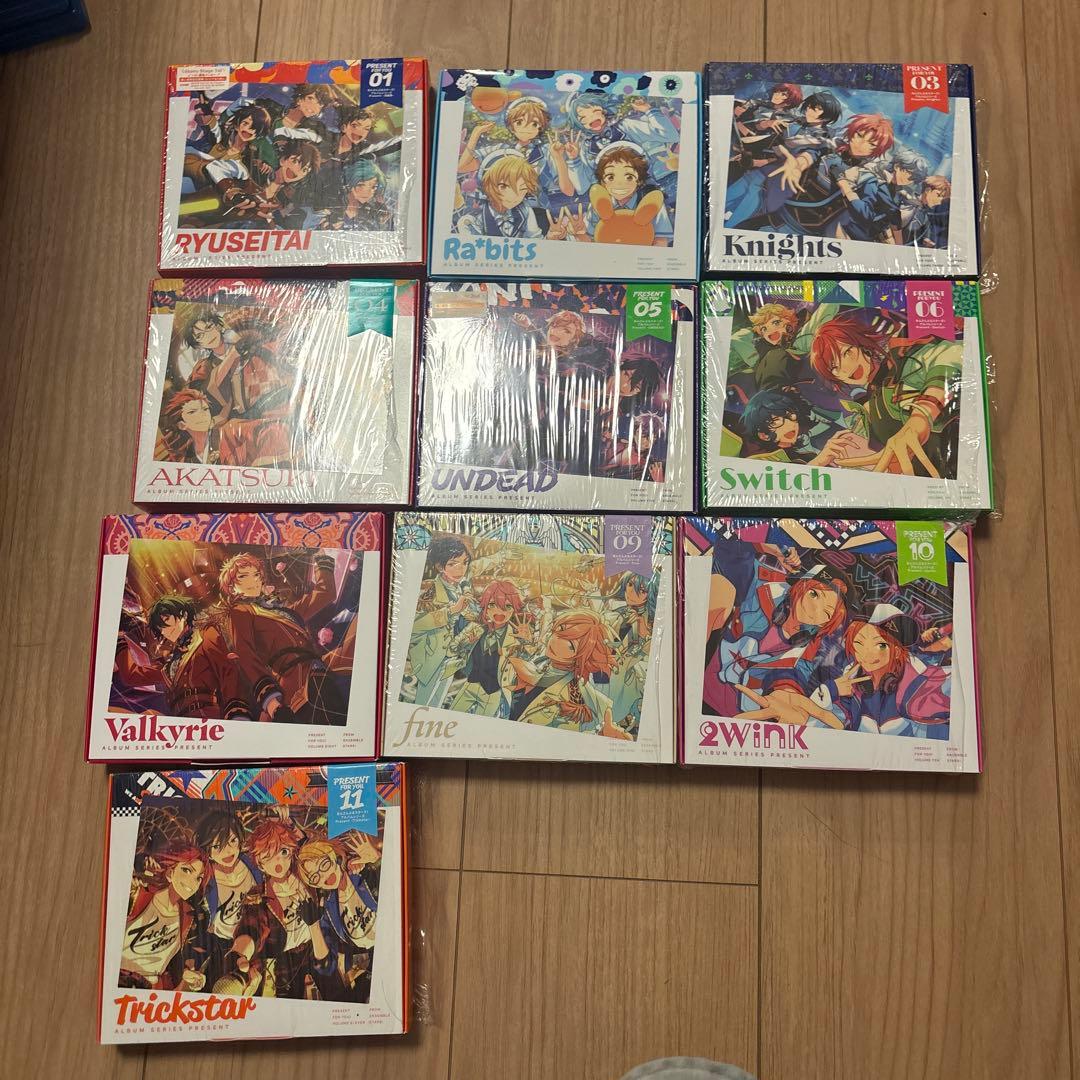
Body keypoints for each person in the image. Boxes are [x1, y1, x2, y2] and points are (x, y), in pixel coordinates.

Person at [113, 594, 247, 721]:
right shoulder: (172, 664)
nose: (165, 631)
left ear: (184, 614)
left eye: (166, 620)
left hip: (211, 719)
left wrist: (237, 714)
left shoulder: (204, 636)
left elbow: (228, 673)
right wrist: (120, 639)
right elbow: (133, 676)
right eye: (160, 628)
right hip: (184, 724)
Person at [507, 610, 629, 738]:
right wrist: (526, 643)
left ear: (582, 658)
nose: (556, 640)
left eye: (571, 645)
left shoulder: (573, 697)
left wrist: (602, 731)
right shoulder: (543, 662)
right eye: (560, 630)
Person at [297, 831, 381, 1002]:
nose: (324, 877)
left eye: (324, 864)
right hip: (369, 967)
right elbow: (326, 967)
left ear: (335, 856)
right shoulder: (329, 908)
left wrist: (377, 861)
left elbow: (397, 894)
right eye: (315, 877)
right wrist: (313, 926)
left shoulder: (363, 873)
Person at [119, 841, 210, 991]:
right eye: (187, 870)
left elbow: (170, 961)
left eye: (199, 878)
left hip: (151, 989)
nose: (193, 882)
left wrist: (186, 974)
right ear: (170, 872)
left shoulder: (189, 917)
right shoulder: (137, 895)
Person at [406, 537, 476, 708]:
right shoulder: (429, 590)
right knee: (423, 704)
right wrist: (451, 611)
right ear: (439, 566)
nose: (461, 569)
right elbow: (414, 626)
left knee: (437, 702)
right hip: (431, 658)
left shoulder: (461, 588)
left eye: (464, 563)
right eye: (453, 564)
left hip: (452, 659)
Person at [195, 810, 262, 988]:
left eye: (232, 840)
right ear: (207, 850)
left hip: (254, 938)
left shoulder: (252, 864)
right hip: (222, 943)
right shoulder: (203, 877)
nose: (228, 850)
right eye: (217, 846)